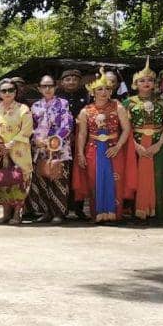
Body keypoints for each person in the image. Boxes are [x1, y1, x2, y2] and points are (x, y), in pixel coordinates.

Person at [123, 58, 163, 222]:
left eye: (149, 80)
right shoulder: (128, 103)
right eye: (142, 80)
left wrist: (158, 145)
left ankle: (157, 213)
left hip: (158, 145)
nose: (146, 83)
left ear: (154, 83)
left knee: (158, 177)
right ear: (136, 83)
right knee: (136, 177)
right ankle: (137, 212)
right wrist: (135, 146)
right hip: (136, 146)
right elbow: (125, 128)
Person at [72, 69, 136, 222]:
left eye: (107, 89)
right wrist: (80, 153)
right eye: (100, 89)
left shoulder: (118, 106)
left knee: (116, 180)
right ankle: (98, 215)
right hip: (93, 149)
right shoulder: (86, 111)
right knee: (95, 180)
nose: (104, 92)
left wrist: (118, 146)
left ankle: (115, 214)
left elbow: (127, 129)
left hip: (114, 148)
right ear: (93, 92)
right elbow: (82, 134)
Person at [27, 75, 73, 223]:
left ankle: (59, 213)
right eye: (44, 86)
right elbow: (31, 128)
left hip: (59, 149)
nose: (47, 89)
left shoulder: (63, 103)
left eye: (50, 86)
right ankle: (46, 212)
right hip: (40, 150)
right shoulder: (35, 107)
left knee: (58, 179)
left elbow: (67, 125)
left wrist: (53, 140)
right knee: (42, 180)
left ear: (55, 87)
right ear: (39, 88)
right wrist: (36, 139)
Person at [0, 79, 34, 224]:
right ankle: (6, 214)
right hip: (0, 152)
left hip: (18, 151)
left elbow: (27, 130)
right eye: (4, 91)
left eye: (10, 90)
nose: (7, 93)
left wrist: (11, 143)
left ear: (15, 92)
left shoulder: (23, 109)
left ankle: (17, 214)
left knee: (19, 181)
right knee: (3, 180)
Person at [57, 69, 90, 220]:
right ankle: (61, 208)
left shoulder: (87, 96)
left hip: (81, 139)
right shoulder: (56, 98)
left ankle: (78, 208)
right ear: (61, 82)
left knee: (79, 173)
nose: (71, 82)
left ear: (80, 81)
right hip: (60, 141)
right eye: (67, 79)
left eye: (74, 79)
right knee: (62, 173)